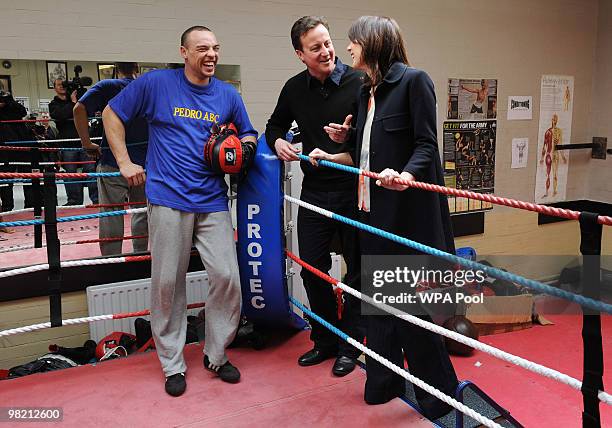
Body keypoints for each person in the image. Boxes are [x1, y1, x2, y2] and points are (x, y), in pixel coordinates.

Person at [103, 25, 258, 397]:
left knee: (228, 277)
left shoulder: (226, 94)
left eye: (216, 48)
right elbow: (112, 114)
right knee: (167, 284)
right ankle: (172, 362)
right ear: (184, 52)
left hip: (212, 201)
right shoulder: (157, 84)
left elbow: (249, 133)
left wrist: (241, 151)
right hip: (168, 198)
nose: (211, 55)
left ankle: (216, 354)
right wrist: (124, 162)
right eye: (203, 48)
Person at [318, 16, 459, 420]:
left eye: (353, 42)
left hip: (404, 218)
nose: (347, 49)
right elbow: (369, 152)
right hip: (369, 215)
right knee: (375, 307)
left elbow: (426, 145)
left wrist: (407, 175)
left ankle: (440, 395)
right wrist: (342, 145)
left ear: (373, 43)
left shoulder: (415, 82)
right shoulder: (366, 93)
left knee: (408, 310)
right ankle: (383, 383)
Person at [265, 16, 365, 377]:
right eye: (315, 47)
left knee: (358, 271)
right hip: (315, 191)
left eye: (327, 43)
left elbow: (372, 144)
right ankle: (325, 340)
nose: (326, 51)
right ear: (300, 54)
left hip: (353, 189)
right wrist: (277, 141)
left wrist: (347, 139)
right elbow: (274, 125)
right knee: (312, 268)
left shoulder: (359, 82)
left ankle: (351, 347)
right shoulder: (294, 89)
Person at [73, 62, 149, 256]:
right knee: (141, 212)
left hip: (112, 162)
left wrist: (86, 143)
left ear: (116, 69)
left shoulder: (108, 86)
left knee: (111, 214)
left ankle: (111, 260)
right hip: (144, 164)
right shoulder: (147, 88)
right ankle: (139, 256)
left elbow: (78, 109)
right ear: (137, 69)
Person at [49, 78, 98, 205]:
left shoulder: (80, 100)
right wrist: (73, 103)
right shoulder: (53, 104)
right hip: (67, 143)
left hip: (85, 140)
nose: (62, 87)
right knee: (70, 173)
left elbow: (89, 111)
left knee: (91, 170)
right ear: (54, 88)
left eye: (63, 84)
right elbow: (60, 115)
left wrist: (76, 101)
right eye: (58, 85)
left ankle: (97, 199)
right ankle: (74, 200)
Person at [539, 113, 567, 197]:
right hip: (548, 154)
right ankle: (547, 192)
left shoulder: (559, 131)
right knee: (548, 174)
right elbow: (544, 145)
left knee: (554, 174)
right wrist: (541, 158)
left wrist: (563, 157)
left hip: (555, 154)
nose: (554, 121)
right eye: (553, 119)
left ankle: (554, 191)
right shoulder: (548, 132)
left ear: (557, 121)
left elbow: (560, 144)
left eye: (555, 119)